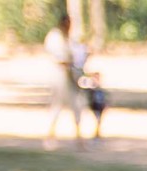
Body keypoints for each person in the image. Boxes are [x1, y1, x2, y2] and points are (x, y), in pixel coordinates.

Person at [44, 14, 85, 149]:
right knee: (57, 105)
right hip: (59, 75)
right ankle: (50, 136)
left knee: (76, 105)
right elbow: (59, 58)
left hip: (70, 75)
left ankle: (79, 138)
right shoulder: (55, 36)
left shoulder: (68, 39)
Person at [79, 71, 107, 139]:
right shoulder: (92, 88)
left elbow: (105, 97)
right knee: (96, 118)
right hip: (94, 104)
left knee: (99, 119)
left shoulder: (100, 88)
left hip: (100, 105)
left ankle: (97, 133)